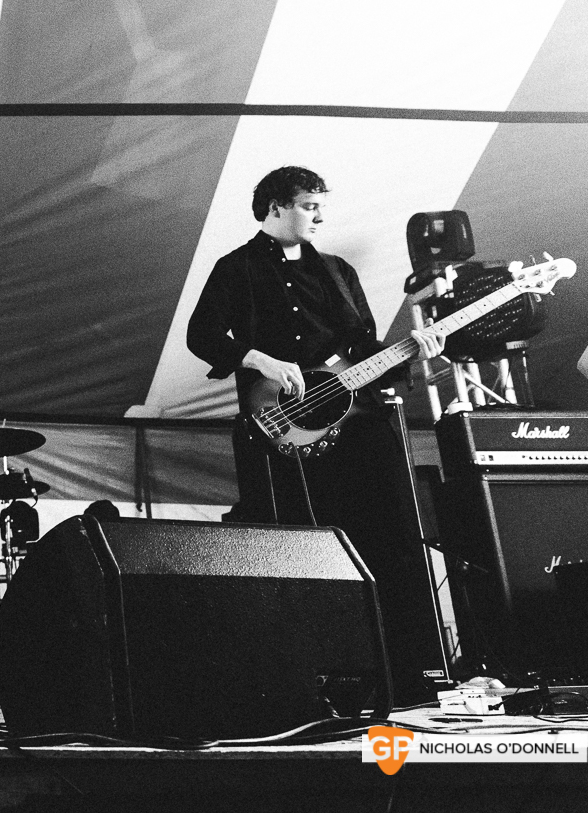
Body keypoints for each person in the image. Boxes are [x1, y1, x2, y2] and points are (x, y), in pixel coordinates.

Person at [186, 165, 445, 705]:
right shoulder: (235, 268)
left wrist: (414, 354)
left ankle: (397, 676)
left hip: (352, 426)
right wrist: (259, 359)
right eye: (308, 205)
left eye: (320, 204)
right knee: (293, 548)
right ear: (275, 207)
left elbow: (361, 345)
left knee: (381, 537)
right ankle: (298, 679)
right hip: (279, 432)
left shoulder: (337, 270)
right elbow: (202, 335)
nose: (320, 215)